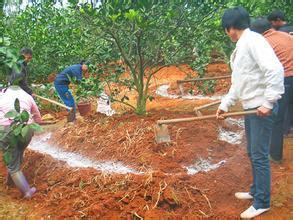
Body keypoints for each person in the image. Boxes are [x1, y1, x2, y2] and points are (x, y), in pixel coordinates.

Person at [217, 7, 284, 218]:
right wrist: (225, 104)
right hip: (251, 107)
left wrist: (269, 102)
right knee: (252, 153)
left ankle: (262, 201)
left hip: (260, 108)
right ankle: (256, 191)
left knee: (259, 155)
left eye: (225, 29)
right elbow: (239, 82)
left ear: (230, 28)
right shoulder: (243, 45)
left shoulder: (254, 41)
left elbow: (274, 69)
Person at [251, 18, 293, 163]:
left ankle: (275, 155)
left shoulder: (263, 43)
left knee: (277, 119)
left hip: (285, 79)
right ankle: (289, 131)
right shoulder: (286, 35)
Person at [0, 73, 43, 199]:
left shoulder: (2, 96)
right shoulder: (27, 96)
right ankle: (11, 180)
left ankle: (27, 192)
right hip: (26, 130)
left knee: (13, 163)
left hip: (7, 130)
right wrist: (34, 129)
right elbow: (38, 117)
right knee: (17, 153)